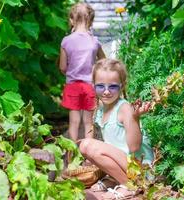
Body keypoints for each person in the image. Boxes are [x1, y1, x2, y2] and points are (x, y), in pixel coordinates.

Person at [79, 58, 154, 199]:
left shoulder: (124, 108)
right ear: (93, 85)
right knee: (87, 147)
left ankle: (131, 185)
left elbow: (134, 147)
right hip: (127, 163)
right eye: (101, 86)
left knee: (87, 145)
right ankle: (116, 178)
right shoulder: (101, 108)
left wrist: (135, 118)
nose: (106, 92)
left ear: (122, 85)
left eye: (112, 87)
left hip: (140, 168)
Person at [59, 2, 105, 143]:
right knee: (88, 122)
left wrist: (71, 71)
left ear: (71, 20)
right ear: (91, 21)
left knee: (74, 122)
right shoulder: (94, 41)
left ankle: (72, 154)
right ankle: (88, 157)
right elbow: (103, 61)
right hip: (89, 86)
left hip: (72, 86)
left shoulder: (66, 41)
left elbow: (62, 67)